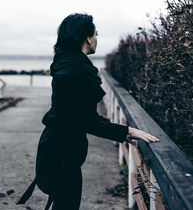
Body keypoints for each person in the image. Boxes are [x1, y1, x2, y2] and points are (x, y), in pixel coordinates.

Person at [17, 13, 160, 210]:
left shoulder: (70, 64)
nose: (97, 39)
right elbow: (84, 120)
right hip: (62, 152)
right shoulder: (74, 70)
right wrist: (126, 131)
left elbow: (82, 116)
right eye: (96, 34)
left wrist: (120, 132)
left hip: (61, 147)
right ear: (87, 38)